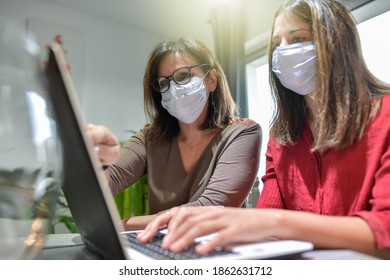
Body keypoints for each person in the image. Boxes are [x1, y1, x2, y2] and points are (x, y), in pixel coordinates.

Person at [136, 0, 390, 259]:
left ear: (336, 41)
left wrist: (272, 221)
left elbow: (385, 231)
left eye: (297, 38)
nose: (281, 52)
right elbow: (267, 225)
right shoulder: (282, 139)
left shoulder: (385, 117)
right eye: (276, 44)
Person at [90, 38, 262, 230]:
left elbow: (212, 208)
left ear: (211, 79)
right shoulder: (149, 138)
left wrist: (123, 226)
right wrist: (97, 162)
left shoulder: (242, 133)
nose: (173, 89)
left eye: (183, 76)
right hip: (163, 251)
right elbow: (105, 184)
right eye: (164, 83)